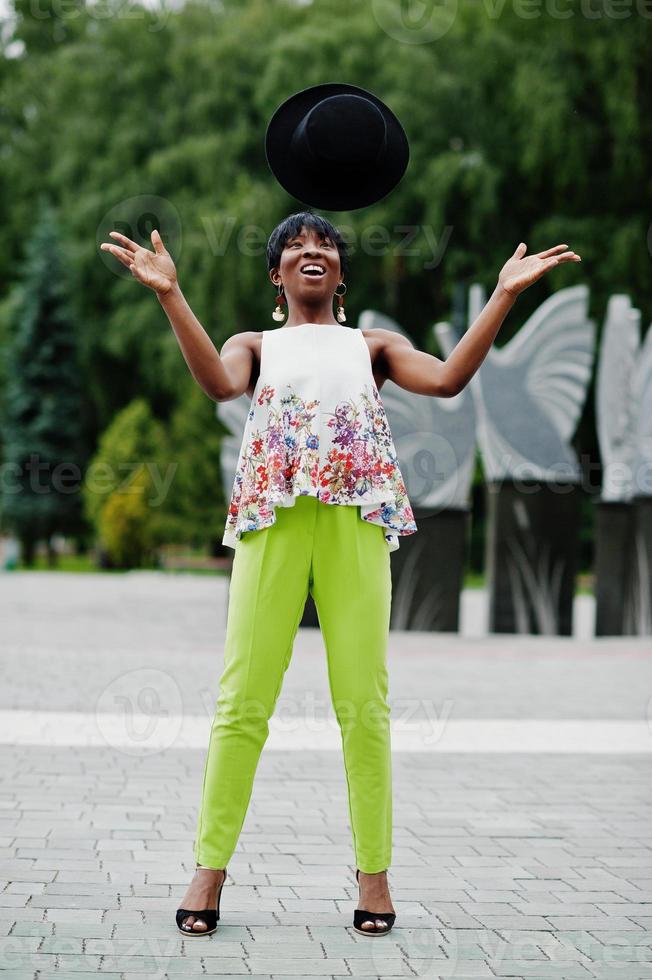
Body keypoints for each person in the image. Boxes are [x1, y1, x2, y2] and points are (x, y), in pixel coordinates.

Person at [100, 211, 581, 937]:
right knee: (242, 702)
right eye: (295, 246)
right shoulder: (254, 345)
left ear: (341, 272)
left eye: (324, 244)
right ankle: (208, 869)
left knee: (364, 705)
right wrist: (171, 293)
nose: (311, 251)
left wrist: (503, 296)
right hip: (274, 520)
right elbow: (218, 385)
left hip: (356, 521)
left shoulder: (374, 346)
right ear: (277, 274)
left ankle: (374, 876)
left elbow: (449, 380)